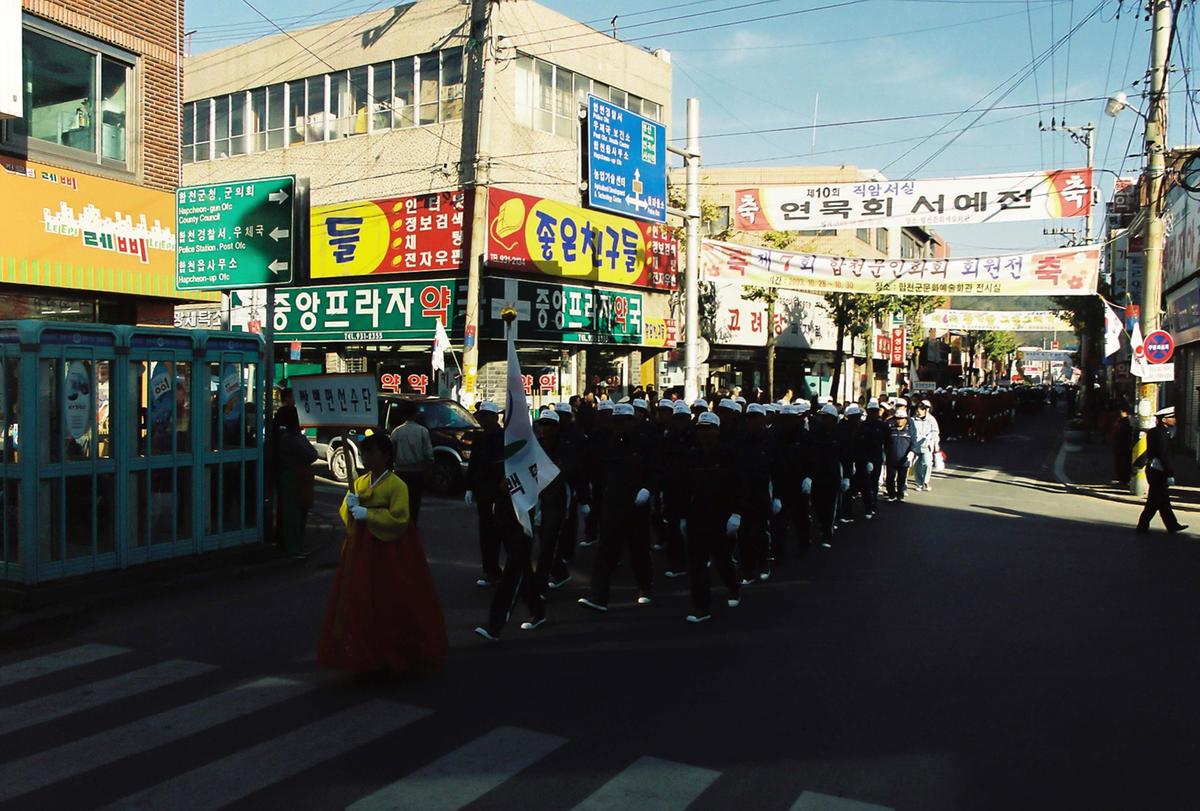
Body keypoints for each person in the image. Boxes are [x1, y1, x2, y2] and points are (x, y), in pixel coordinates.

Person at [317, 432, 447, 676]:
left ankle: (395, 652)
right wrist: (350, 505)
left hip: (390, 551)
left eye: (372, 452)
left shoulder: (397, 485)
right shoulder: (360, 483)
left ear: (386, 455)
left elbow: (400, 519)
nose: (366, 458)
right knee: (362, 598)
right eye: (364, 453)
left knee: (390, 596)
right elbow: (348, 515)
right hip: (361, 549)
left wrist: (370, 515)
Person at [475, 411, 568, 639]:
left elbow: (552, 480)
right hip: (506, 514)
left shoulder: (538, 450)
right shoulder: (502, 447)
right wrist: (496, 488)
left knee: (513, 570)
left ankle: (495, 625)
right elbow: (484, 476)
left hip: (526, 515)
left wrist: (541, 510)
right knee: (523, 568)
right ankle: (537, 611)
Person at [578, 403, 656, 612]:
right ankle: (599, 596)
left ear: (632, 421)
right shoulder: (606, 444)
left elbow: (656, 469)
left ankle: (645, 587)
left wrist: (648, 489)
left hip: (637, 503)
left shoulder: (644, 443)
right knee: (606, 550)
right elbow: (593, 471)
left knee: (639, 548)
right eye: (616, 422)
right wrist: (589, 498)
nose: (619, 426)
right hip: (612, 503)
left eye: (623, 421)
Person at [683, 411, 741, 623]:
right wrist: (682, 515)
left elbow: (739, 485)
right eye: (700, 428)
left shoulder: (728, 454)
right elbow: (683, 487)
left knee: (722, 558)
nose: (704, 433)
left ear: (717, 430)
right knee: (697, 563)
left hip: (722, 515)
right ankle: (701, 607)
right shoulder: (692, 454)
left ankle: (733, 586)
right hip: (697, 515)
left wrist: (736, 513)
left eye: (708, 428)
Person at [465, 401, 505, 586]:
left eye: (485, 415)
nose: (481, 419)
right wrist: (469, 487)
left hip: (499, 491)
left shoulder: (503, 436)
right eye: (480, 415)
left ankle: (504, 570)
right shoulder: (479, 437)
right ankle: (491, 570)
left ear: (494, 417)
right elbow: (473, 463)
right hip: (483, 491)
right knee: (486, 533)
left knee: (501, 533)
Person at [1136, 405, 1188, 535]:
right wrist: (1170, 472)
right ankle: (1143, 526)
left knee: (1160, 500)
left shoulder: (1156, 432)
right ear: (1164, 420)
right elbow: (1164, 455)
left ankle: (1171, 525)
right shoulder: (1161, 434)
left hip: (1155, 470)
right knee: (1155, 500)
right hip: (1158, 470)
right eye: (1172, 417)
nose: (1174, 419)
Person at [274, 404, 318, 559]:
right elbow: (312, 454)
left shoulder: (289, 436)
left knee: (297, 511)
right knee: (294, 513)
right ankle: (294, 547)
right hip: (295, 477)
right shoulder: (292, 438)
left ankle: (296, 545)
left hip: (295, 477)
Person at [804, 403, 844, 548]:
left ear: (833, 419)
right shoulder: (814, 433)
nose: (823, 420)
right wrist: (808, 475)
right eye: (822, 417)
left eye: (826, 417)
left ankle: (827, 533)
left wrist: (846, 475)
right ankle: (821, 525)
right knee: (816, 504)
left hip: (832, 476)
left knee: (829, 506)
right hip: (817, 475)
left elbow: (845, 455)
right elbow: (809, 455)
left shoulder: (839, 434)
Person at [390, 400, 433, 525]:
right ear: (415, 414)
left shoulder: (396, 432)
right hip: (418, 472)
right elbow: (429, 454)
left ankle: (402, 525)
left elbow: (392, 453)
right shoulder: (422, 431)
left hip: (400, 472)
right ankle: (413, 527)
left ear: (403, 415)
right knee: (415, 502)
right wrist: (429, 470)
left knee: (401, 501)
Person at [857, 399, 888, 520]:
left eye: (876, 411)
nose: (874, 413)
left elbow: (887, 442)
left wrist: (885, 456)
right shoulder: (862, 426)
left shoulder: (882, 426)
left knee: (874, 482)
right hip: (864, 459)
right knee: (865, 483)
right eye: (871, 411)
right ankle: (867, 505)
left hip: (877, 458)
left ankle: (873, 501)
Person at [885, 406, 918, 502]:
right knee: (890, 477)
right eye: (897, 419)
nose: (899, 421)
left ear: (905, 419)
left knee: (902, 477)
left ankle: (900, 494)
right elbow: (885, 440)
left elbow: (914, 440)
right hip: (891, 456)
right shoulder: (890, 428)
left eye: (901, 419)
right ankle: (891, 494)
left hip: (904, 457)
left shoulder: (909, 428)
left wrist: (912, 451)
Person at [911, 399, 941, 492]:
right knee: (917, 465)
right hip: (916, 445)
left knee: (927, 463)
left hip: (927, 445)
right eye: (917, 410)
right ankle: (919, 483)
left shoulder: (931, 420)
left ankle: (926, 481)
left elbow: (935, 432)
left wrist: (935, 443)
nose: (918, 412)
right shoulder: (912, 419)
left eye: (920, 410)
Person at [1110, 403, 1134, 484]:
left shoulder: (1126, 422)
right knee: (1121, 462)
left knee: (1124, 463)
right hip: (1120, 445)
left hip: (1124, 445)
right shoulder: (1121, 421)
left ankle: (1124, 478)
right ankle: (1122, 477)